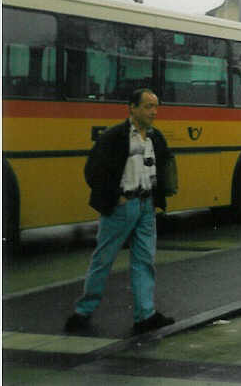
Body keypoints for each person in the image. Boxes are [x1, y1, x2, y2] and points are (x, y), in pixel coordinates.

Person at [64, 88, 177, 335]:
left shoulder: (156, 138)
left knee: (145, 261)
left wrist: (158, 198)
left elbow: (163, 166)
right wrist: (116, 196)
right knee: (103, 258)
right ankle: (82, 312)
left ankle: (145, 316)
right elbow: (92, 170)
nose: (154, 112)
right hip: (122, 207)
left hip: (146, 206)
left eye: (156, 106)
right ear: (132, 108)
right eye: (148, 106)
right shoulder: (115, 136)